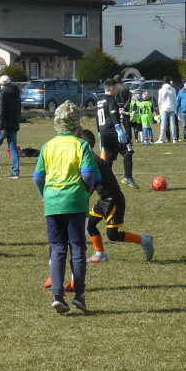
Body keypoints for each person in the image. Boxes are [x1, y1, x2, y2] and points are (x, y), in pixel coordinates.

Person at [34, 102, 98, 314]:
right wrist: (87, 190)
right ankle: (79, 294)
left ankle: (57, 294)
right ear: (77, 123)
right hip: (75, 202)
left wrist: (45, 195)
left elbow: (38, 177)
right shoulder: (82, 145)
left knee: (58, 248)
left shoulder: (47, 146)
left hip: (52, 203)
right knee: (78, 248)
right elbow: (89, 174)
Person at [78, 129, 154, 264]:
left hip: (113, 200)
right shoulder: (89, 157)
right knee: (91, 226)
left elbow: (93, 182)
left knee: (112, 235)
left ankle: (144, 240)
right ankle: (100, 254)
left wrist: (83, 197)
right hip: (104, 199)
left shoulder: (93, 160)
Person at [95, 79, 137, 188]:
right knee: (128, 150)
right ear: (112, 89)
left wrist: (99, 133)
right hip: (112, 131)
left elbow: (97, 117)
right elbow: (113, 114)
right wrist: (119, 129)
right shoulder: (111, 100)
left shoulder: (99, 100)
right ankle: (128, 177)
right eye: (116, 88)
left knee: (109, 158)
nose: (117, 90)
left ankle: (104, 181)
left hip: (103, 132)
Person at [0, 74, 21, 178]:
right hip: (13, 124)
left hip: (4, 125)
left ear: (0, 84)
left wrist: (2, 126)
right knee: (13, 148)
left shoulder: (2, 94)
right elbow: (18, 111)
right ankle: (16, 172)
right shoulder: (16, 94)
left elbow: (0, 112)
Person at [156, 77, 178, 144]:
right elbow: (175, 100)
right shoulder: (173, 89)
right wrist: (174, 107)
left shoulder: (161, 90)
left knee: (163, 124)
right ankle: (174, 138)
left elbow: (159, 101)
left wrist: (160, 109)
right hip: (171, 108)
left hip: (164, 108)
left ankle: (161, 139)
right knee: (172, 124)